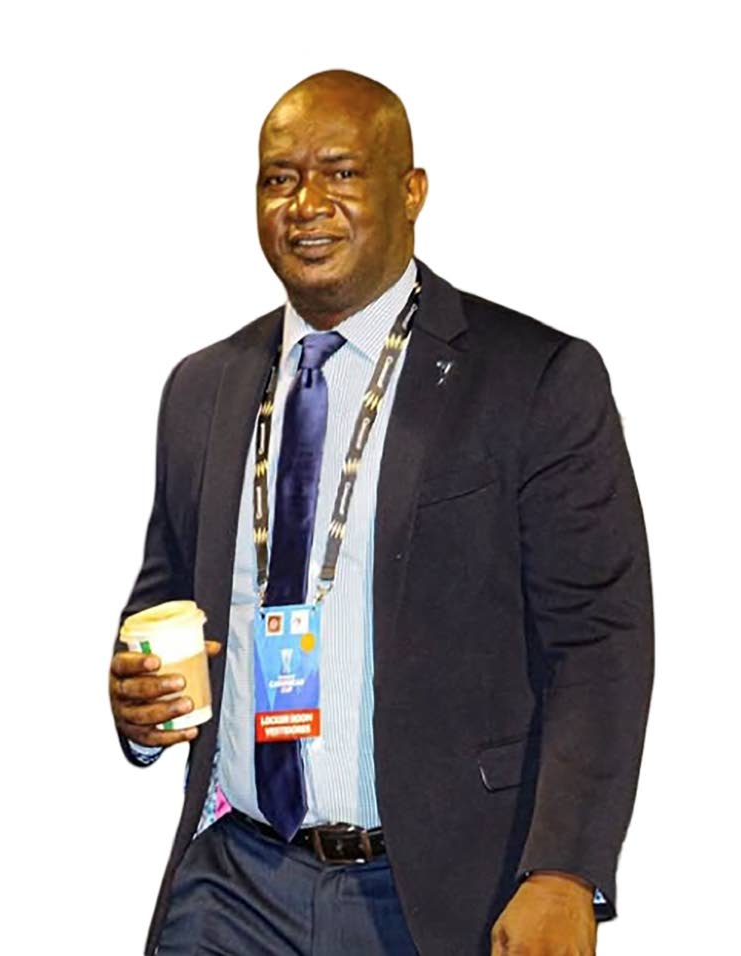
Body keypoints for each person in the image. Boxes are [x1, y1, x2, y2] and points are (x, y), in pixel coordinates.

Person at [108, 69, 654, 956]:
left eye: (342, 173)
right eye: (280, 178)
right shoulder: (202, 389)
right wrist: (138, 700)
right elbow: (165, 590)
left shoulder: (534, 379)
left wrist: (565, 870)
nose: (306, 204)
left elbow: (598, 641)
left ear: (411, 191)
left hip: (432, 890)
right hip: (235, 883)